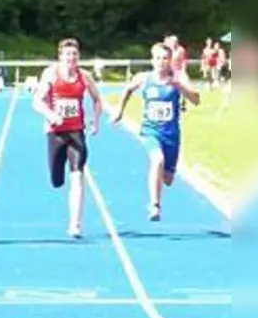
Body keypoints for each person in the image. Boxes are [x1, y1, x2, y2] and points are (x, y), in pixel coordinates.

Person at [113, 42, 201, 221]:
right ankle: (155, 205)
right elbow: (128, 90)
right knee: (157, 159)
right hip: (150, 131)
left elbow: (196, 100)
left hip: (171, 135)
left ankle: (159, 184)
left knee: (168, 179)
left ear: (170, 60)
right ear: (152, 60)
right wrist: (119, 111)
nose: (161, 62)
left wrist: (179, 86)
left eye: (165, 58)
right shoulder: (144, 78)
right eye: (158, 58)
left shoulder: (178, 77)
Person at [31, 38, 103, 238]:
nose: (71, 58)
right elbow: (36, 102)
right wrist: (51, 115)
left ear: (78, 57)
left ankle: (75, 224)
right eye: (67, 55)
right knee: (56, 180)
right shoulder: (51, 75)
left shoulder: (85, 76)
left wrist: (95, 120)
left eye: (75, 55)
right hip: (55, 133)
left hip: (76, 132)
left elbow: (97, 100)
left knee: (78, 176)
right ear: (60, 57)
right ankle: (57, 177)